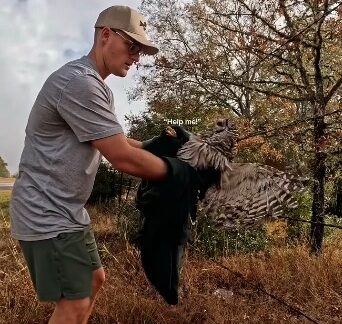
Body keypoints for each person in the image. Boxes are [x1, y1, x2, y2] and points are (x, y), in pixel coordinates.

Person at [10, 5, 175, 324]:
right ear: (106, 35)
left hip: (67, 211)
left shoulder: (96, 87)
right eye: (132, 46)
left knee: (94, 279)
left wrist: (160, 149)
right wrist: (179, 172)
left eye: (139, 50)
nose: (136, 57)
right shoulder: (78, 83)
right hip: (46, 212)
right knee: (75, 301)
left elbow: (118, 140)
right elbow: (121, 157)